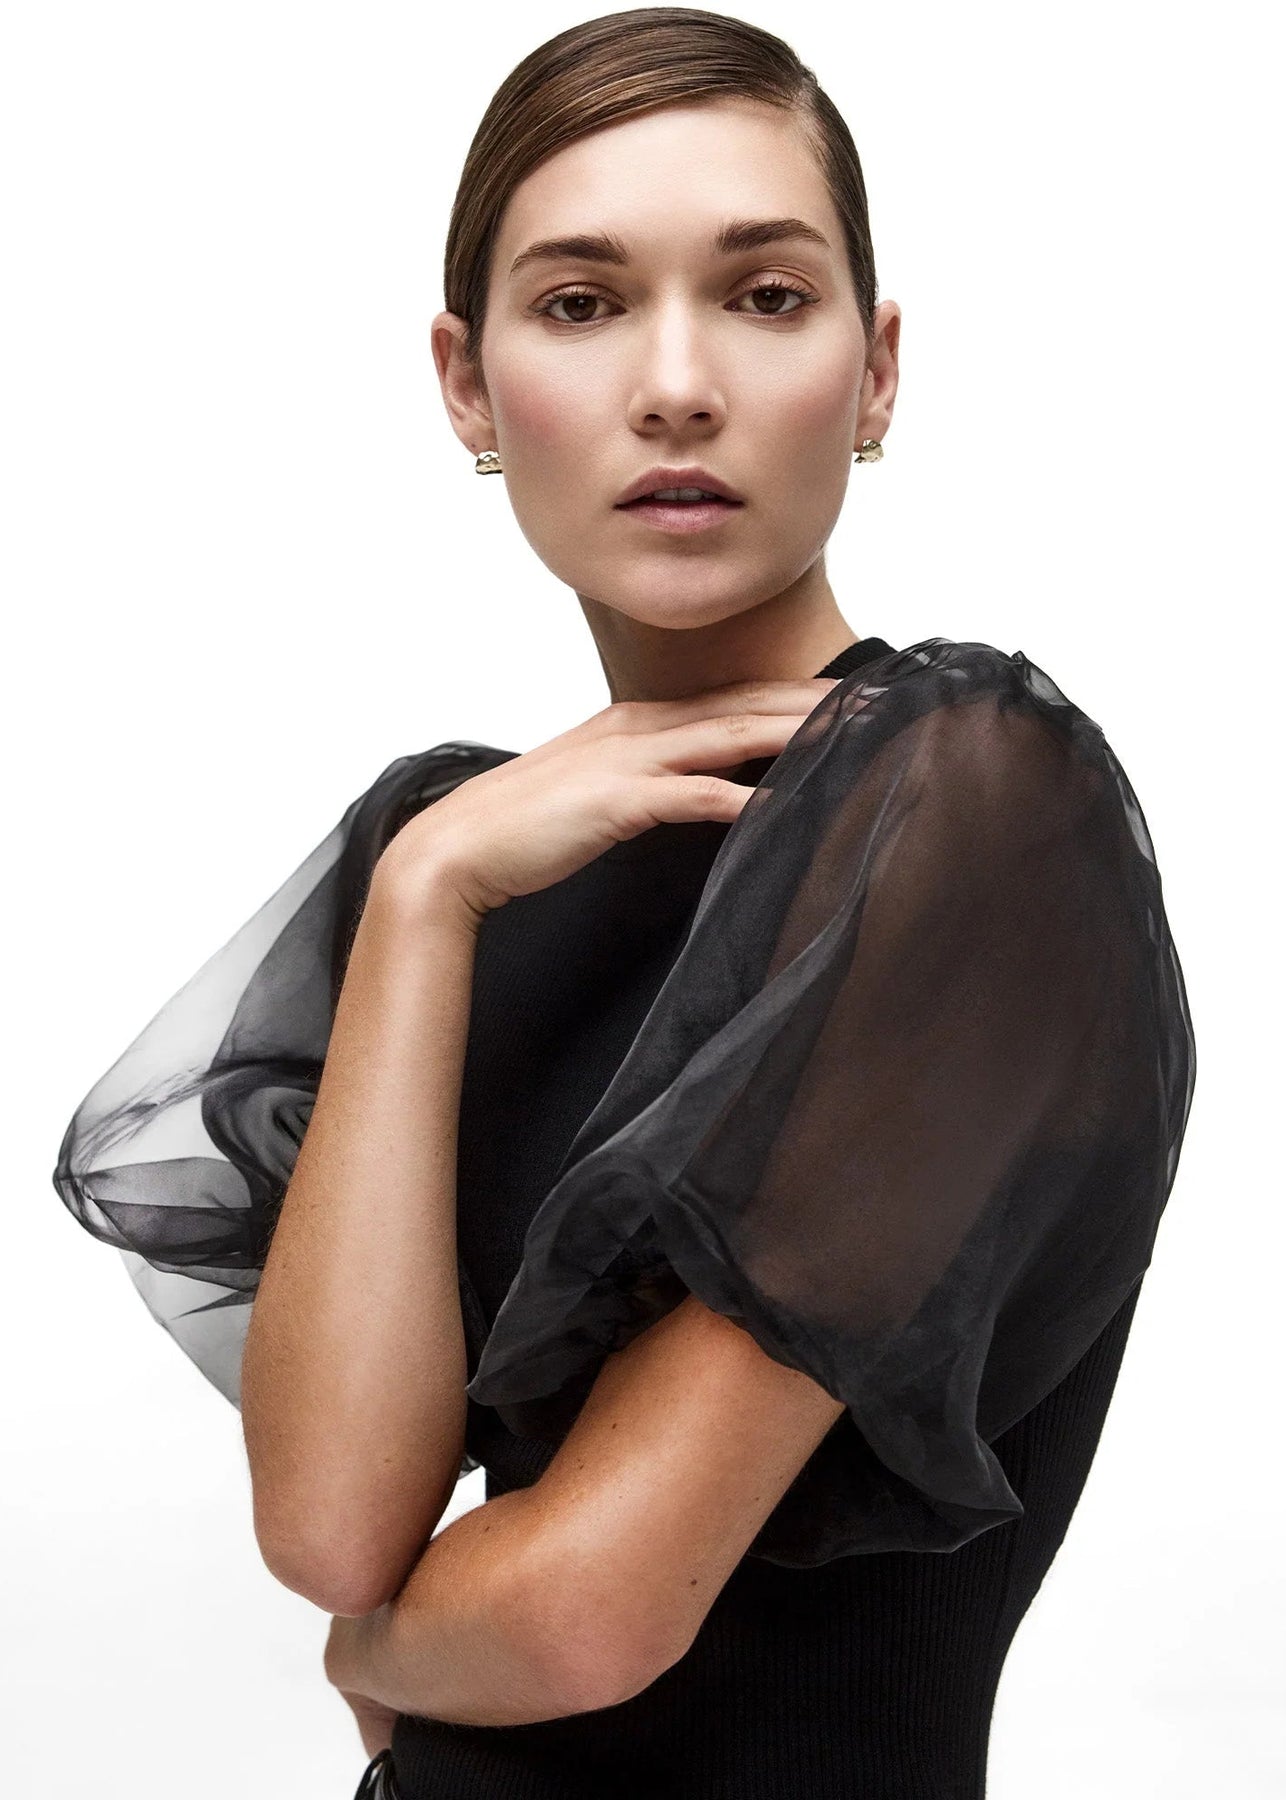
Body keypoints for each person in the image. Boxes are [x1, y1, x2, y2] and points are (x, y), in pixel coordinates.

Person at [50, 9, 1198, 1799]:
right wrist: (425, 899)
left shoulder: (970, 803)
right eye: (581, 304)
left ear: (875, 373)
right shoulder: (449, 842)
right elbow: (337, 1528)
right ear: (466, 385)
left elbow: (583, 1616)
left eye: (765, 296)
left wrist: (377, 1658)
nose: (675, 385)